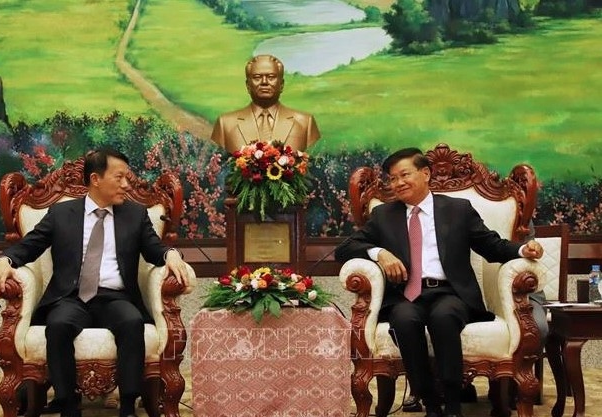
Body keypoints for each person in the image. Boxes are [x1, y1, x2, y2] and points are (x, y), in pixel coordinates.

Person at [335, 147, 544, 417]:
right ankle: (431, 403)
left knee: (444, 317)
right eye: (392, 178)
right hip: (406, 295)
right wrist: (379, 253)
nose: (398, 183)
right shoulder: (384, 214)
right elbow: (345, 249)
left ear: (425, 173)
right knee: (405, 320)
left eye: (404, 175)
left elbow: (491, 246)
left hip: (450, 292)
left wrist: (522, 250)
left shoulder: (457, 210)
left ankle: (454, 405)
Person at [0, 148, 190, 417]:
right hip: (71, 297)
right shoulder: (61, 214)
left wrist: (171, 255)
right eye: (119, 177)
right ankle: (67, 405)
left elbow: (155, 248)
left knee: (131, 322)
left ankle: (128, 406)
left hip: (115, 297)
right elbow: (28, 247)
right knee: (58, 325)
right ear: (96, 179)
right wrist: (3, 261)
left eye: (127, 178)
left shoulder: (135, 214)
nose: (126, 184)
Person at [210, 54, 320, 153]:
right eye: (257, 77)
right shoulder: (225, 124)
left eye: (271, 77)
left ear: (281, 84)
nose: (264, 82)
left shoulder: (305, 123)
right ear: (248, 85)